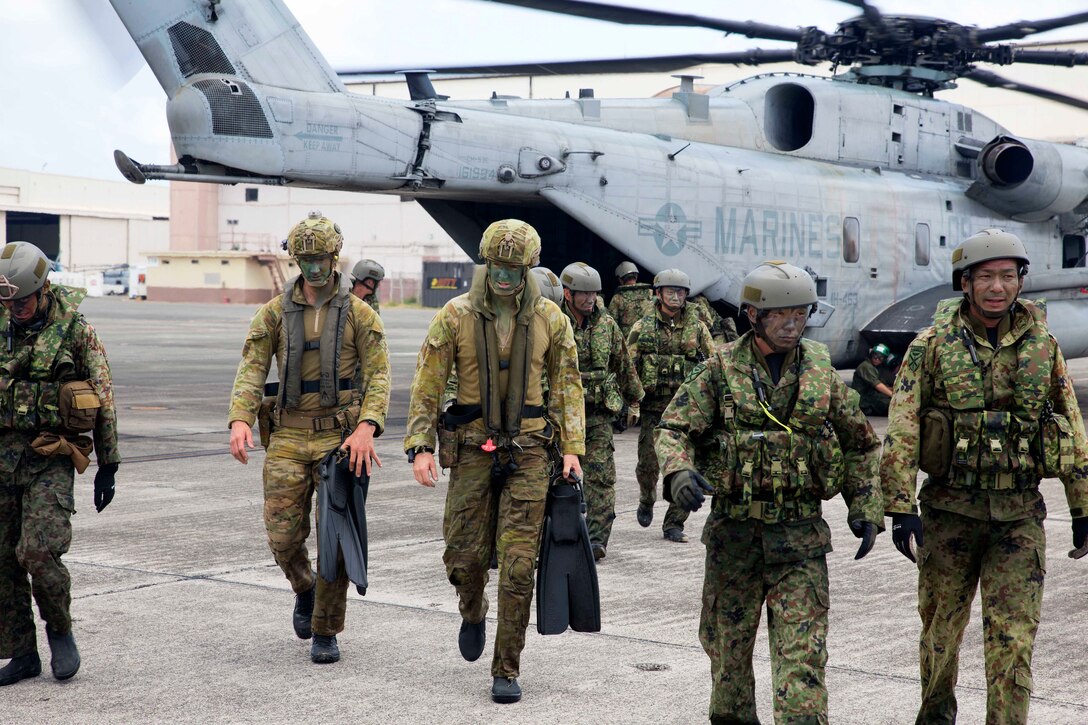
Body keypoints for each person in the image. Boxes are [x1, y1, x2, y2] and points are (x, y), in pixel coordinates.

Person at [656, 260, 883, 724]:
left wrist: (865, 506)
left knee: (803, 672)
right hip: (733, 541)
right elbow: (674, 428)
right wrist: (678, 472)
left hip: (799, 541)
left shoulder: (820, 373)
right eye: (781, 315)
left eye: (801, 314)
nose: (792, 324)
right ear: (752, 315)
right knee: (728, 667)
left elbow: (861, 443)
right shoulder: (719, 369)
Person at [880, 228, 1088, 724]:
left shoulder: (1044, 345)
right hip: (949, 514)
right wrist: (899, 506)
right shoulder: (931, 346)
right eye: (987, 277)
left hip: (1018, 517)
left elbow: (1069, 426)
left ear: (1021, 281)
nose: (998, 287)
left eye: (1008, 276)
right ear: (965, 283)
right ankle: (934, 717)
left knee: (1013, 640)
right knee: (940, 636)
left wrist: (1082, 506)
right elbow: (904, 426)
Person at [404, 219, 584, 704]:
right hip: (471, 448)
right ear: (486, 265)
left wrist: (572, 447)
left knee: (520, 566)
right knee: (464, 559)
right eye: (497, 268)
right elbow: (427, 382)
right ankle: (472, 609)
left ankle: (506, 666)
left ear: (528, 270)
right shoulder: (455, 315)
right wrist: (421, 446)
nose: (504, 278)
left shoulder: (551, 317)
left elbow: (568, 383)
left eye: (515, 269)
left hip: (529, 450)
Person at [228, 211, 391, 665]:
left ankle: (325, 629)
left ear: (334, 257)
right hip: (288, 433)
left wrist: (367, 427)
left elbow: (379, 376)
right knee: (282, 535)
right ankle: (304, 587)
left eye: (321, 258)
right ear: (296, 259)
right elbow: (252, 367)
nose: (314, 267)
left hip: (341, 438)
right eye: (305, 259)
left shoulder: (359, 314)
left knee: (335, 536)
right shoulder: (274, 313)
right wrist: (240, 418)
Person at [0, 242, 120, 686]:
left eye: (24, 301)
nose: (16, 310)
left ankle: (60, 629)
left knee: (38, 551)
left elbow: (103, 397)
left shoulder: (75, 331)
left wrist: (108, 463)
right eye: (8, 302)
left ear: (44, 288)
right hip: (1, 457)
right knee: (1, 560)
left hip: (48, 455)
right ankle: (21, 652)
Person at [559, 262, 643, 561]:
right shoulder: (553, 322)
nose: (590, 299)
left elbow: (622, 364)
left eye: (594, 293)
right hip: (558, 418)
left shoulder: (607, 324)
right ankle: (550, 535)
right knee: (553, 476)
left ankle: (596, 539)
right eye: (583, 294)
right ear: (567, 294)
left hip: (597, 416)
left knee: (602, 478)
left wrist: (634, 400)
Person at [627, 268, 714, 543]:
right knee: (648, 466)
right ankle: (646, 498)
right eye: (670, 291)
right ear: (658, 294)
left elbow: (713, 365)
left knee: (686, 466)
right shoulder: (642, 327)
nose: (676, 296)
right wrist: (631, 401)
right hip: (654, 409)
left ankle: (674, 522)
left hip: (685, 411)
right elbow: (628, 366)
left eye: (681, 292)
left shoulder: (698, 328)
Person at [607, 260, 655, 338]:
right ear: (636, 276)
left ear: (620, 279)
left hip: (628, 341)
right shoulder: (650, 293)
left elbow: (611, 323)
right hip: (648, 337)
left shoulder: (617, 298)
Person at [851, 343, 895, 416]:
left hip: (870, 395)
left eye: (881, 358)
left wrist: (892, 389)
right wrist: (893, 395)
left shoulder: (876, 367)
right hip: (863, 400)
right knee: (892, 403)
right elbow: (878, 385)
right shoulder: (866, 366)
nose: (877, 360)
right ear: (871, 355)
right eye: (875, 357)